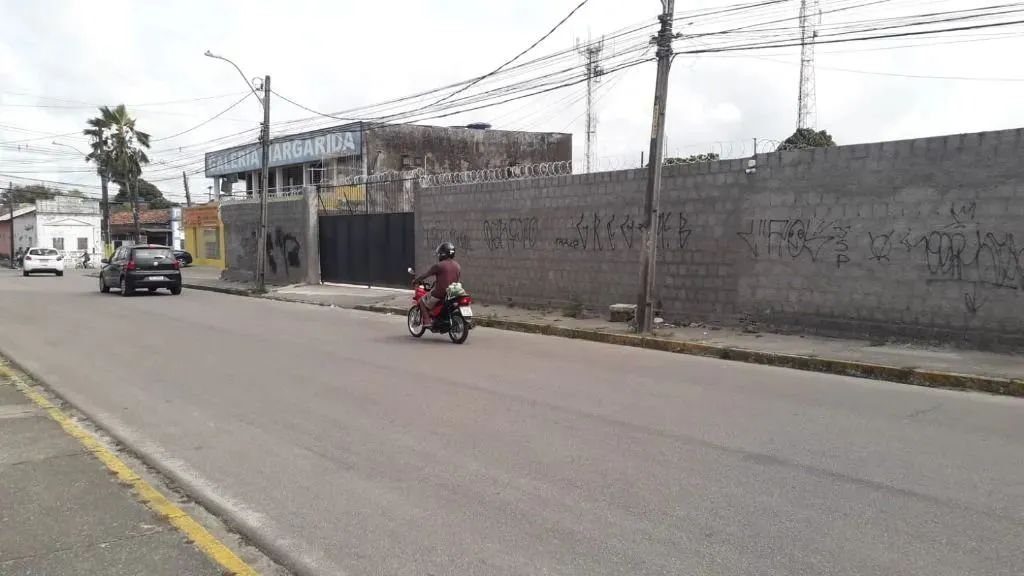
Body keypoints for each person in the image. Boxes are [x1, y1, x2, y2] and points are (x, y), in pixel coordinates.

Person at [412, 242, 461, 328]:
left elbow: (425, 275)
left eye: (439, 254)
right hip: (453, 293)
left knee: (422, 302)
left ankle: (427, 321)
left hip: (440, 293)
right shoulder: (457, 265)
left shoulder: (439, 266)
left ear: (442, 254)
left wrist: (416, 280)